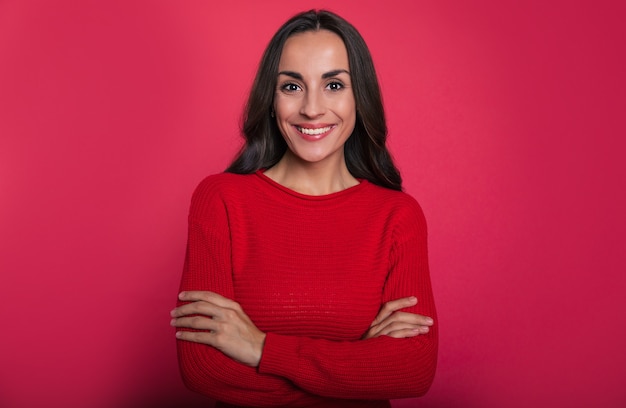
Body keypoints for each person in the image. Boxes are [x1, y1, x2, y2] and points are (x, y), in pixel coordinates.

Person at [170, 9, 437, 407]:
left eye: (333, 84)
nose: (312, 109)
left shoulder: (397, 216)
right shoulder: (221, 200)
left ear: (359, 96)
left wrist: (261, 348)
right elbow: (203, 367)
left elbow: (413, 371)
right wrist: (358, 363)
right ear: (271, 98)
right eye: (292, 87)